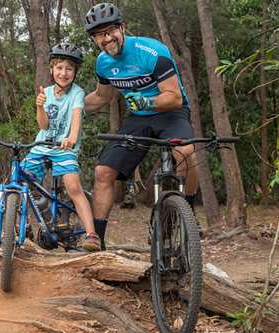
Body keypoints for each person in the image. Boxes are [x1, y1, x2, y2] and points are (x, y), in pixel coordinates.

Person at [82, 3, 197, 249]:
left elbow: (175, 97)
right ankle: (96, 241)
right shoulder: (103, 63)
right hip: (138, 119)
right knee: (103, 172)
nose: (106, 38)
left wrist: (148, 100)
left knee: (185, 152)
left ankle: (190, 214)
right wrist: (70, 107)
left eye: (111, 30)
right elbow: (102, 97)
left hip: (171, 112)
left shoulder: (153, 51)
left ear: (122, 28)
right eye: (99, 35)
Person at [25, 43, 101, 252]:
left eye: (69, 68)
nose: (64, 73)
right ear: (51, 69)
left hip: (65, 148)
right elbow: (43, 125)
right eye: (59, 67)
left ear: (75, 71)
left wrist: (72, 138)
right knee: (20, 180)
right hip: (42, 146)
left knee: (74, 188)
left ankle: (92, 235)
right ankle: (21, 228)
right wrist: (40, 106)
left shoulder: (77, 93)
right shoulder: (46, 92)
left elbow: (76, 115)